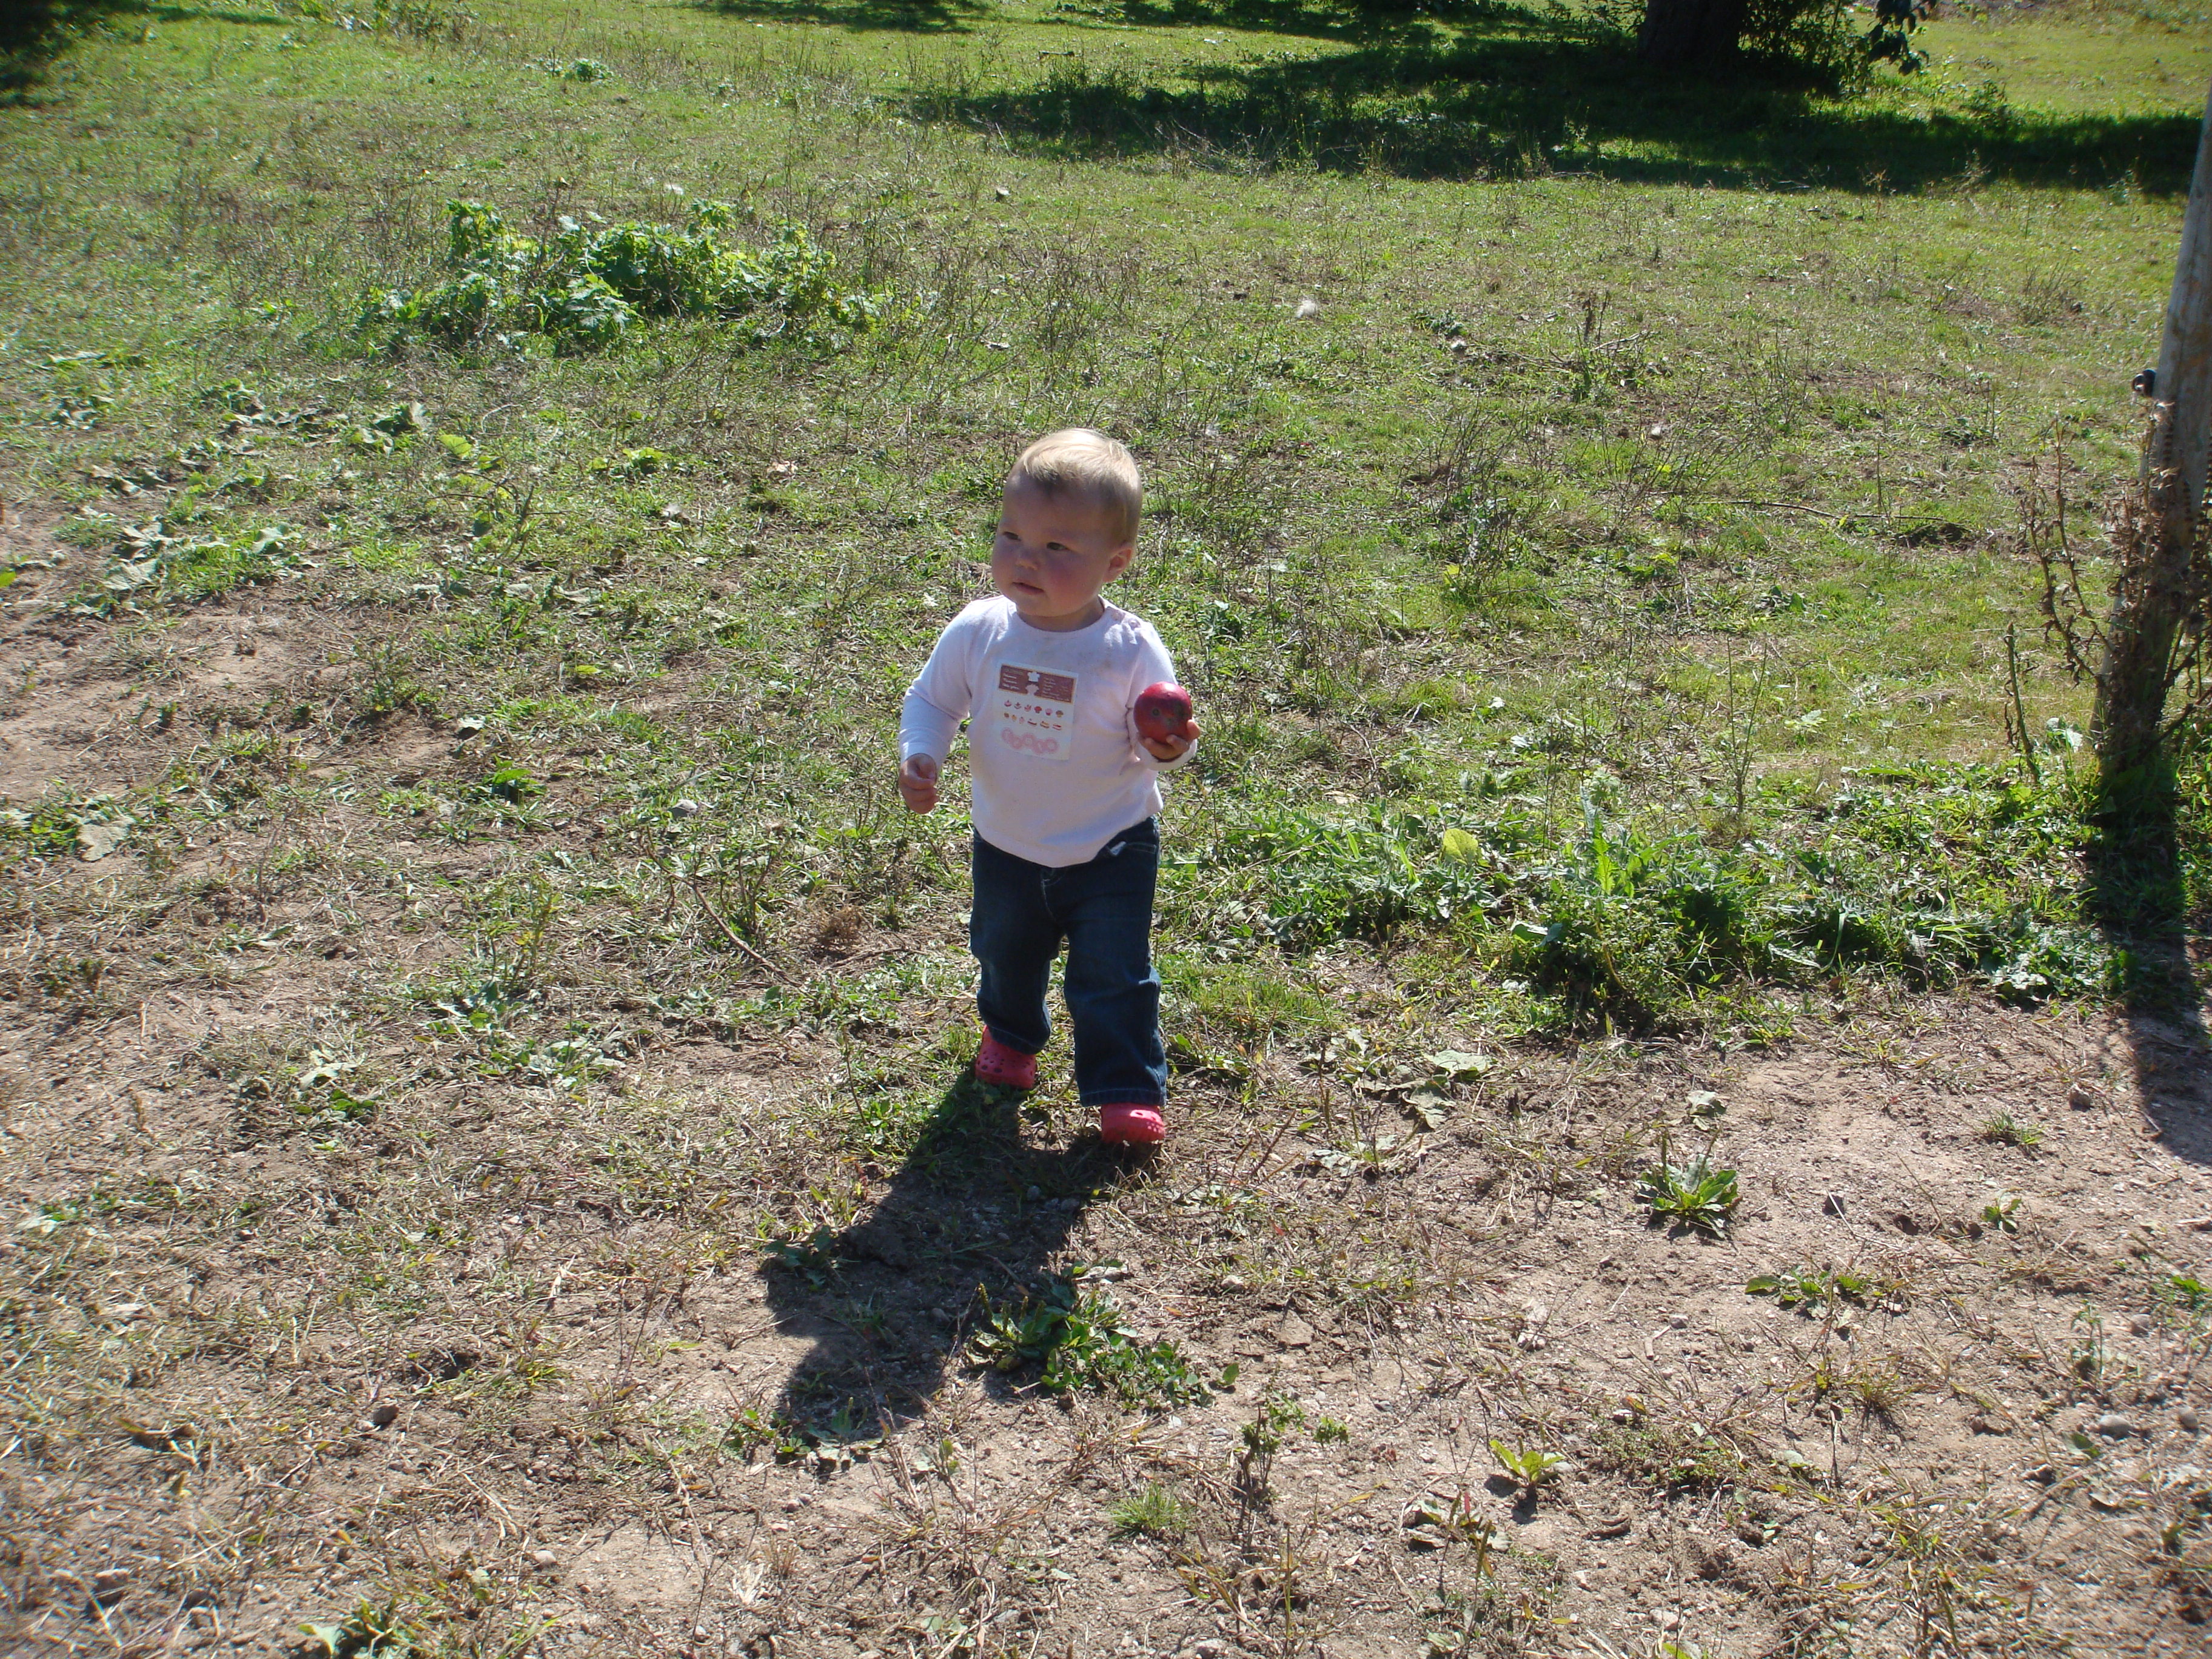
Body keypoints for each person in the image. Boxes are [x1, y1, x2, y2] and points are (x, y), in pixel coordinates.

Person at [896, 429, 1199, 1146]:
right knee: (1005, 953)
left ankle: (1125, 1088)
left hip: (1111, 845)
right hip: (1007, 842)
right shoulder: (981, 631)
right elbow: (933, 700)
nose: (1026, 558)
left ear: (1115, 563)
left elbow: (1154, 738)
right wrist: (922, 753)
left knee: (1115, 973)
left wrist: (1167, 747)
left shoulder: (1128, 649)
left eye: (1057, 547)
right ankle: (1010, 1038)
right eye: (1011, 535)